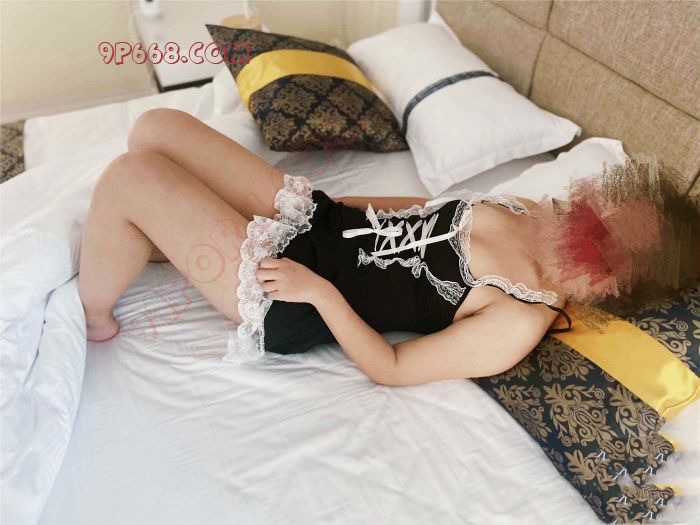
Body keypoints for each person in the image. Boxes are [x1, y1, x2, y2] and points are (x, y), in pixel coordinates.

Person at [78, 109, 699, 386]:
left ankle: (94, 314)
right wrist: (324, 203)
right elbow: (425, 209)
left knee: (133, 176)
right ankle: (163, 237)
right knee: (155, 129)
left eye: (602, 241)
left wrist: (318, 292)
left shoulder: (517, 318)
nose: (583, 219)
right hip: (321, 226)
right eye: (599, 211)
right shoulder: (535, 213)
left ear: (612, 283)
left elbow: (392, 369)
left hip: (293, 292)